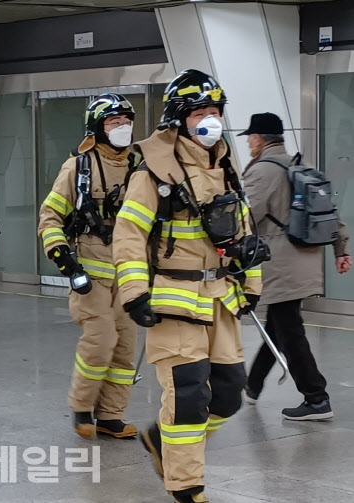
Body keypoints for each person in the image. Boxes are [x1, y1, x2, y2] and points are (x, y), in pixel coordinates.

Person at [112, 70, 263, 503]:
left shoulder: (227, 164)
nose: (209, 120)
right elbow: (129, 235)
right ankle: (186, 485)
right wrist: (134, 292)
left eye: (214, 112)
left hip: (221, 299)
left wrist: (252, 281)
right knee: (189, 395)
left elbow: (245, 230)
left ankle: (163, 441)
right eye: (199, 111)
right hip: (174, 302)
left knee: (230, 394)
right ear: (179, 118)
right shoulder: (154, 172)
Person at [37, 93, 139, 440]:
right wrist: (63, 259)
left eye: (127, 122)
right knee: (101, 339)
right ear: (98, 128)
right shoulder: (78, 167)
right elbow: (49, 217)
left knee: (125, 345)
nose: (123, 128)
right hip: (90, 272)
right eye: (114, 122)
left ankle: (111, 415)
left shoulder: (139, 165)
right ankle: (82, 407)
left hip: (129, 273)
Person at [240, 112, 351, 420]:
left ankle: (316, 397)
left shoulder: (262, 171)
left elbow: (245, 218)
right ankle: (253, 384)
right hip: (306, 260)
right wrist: (341, 249)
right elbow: (331, 213)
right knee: (279, 324)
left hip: (281, 264)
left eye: (250, 137)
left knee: (289, 330)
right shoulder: (302, 166)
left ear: (259, 139)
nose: (249, 142)